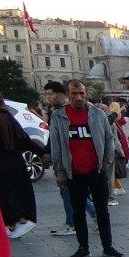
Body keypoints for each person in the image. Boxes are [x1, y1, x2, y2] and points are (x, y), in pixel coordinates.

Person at [50, 80, 122, 257]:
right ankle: (83, 247)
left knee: (102, 210)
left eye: (81, 93)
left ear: (86, 94)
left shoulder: (97, 114)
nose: (78, 97)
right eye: (74, 93)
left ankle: (108, 246)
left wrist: (106, 163)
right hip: (73, 172)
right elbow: (56, 146)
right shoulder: (59, 116)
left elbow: (108, 139)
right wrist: (59, 172)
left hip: (96, 170)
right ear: (68, 95)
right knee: (78, 211)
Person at [0, 89, 38, 238]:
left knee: (2, 195)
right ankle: (11, 225)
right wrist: (42, 152)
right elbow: (24, 138)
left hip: (1, 164)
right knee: (13, 193)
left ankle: (19, 221)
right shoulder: (6, 116)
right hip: (15, 161)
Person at [42, 82, 93, 237]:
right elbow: (54, 138)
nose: (48, 97)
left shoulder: (69, 112)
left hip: (74, 162)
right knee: (73, 193)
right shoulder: (57, 113)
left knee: (69, 193)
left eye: (50, 94)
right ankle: (89, 216)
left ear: (62, 94)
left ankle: (72, 223)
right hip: (67, 161)